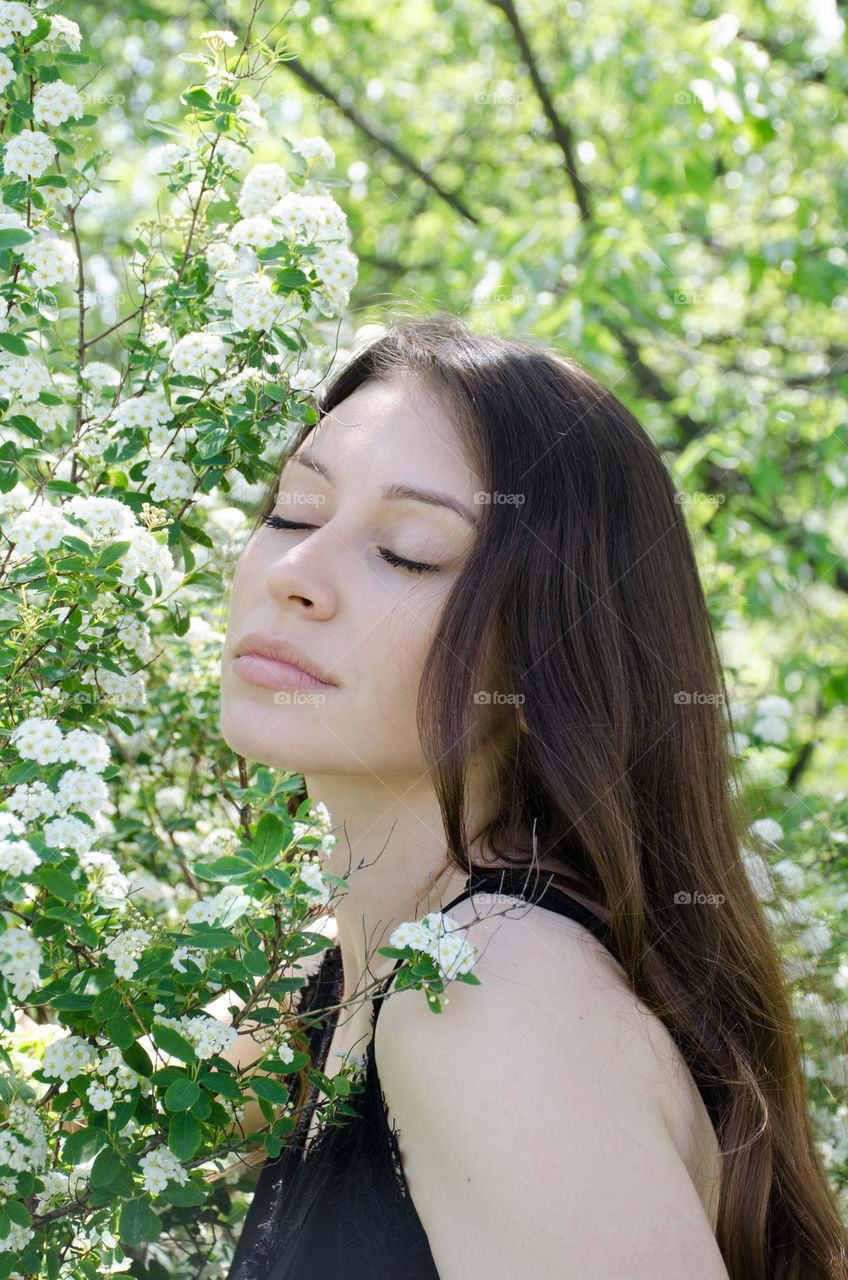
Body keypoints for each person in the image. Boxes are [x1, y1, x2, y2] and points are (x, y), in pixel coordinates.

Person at [218, 316, 848, 1280]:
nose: (295, 574)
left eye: (409, 552)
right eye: (296, 513)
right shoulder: (351, 979)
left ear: (551, 646)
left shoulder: (484, 1002)